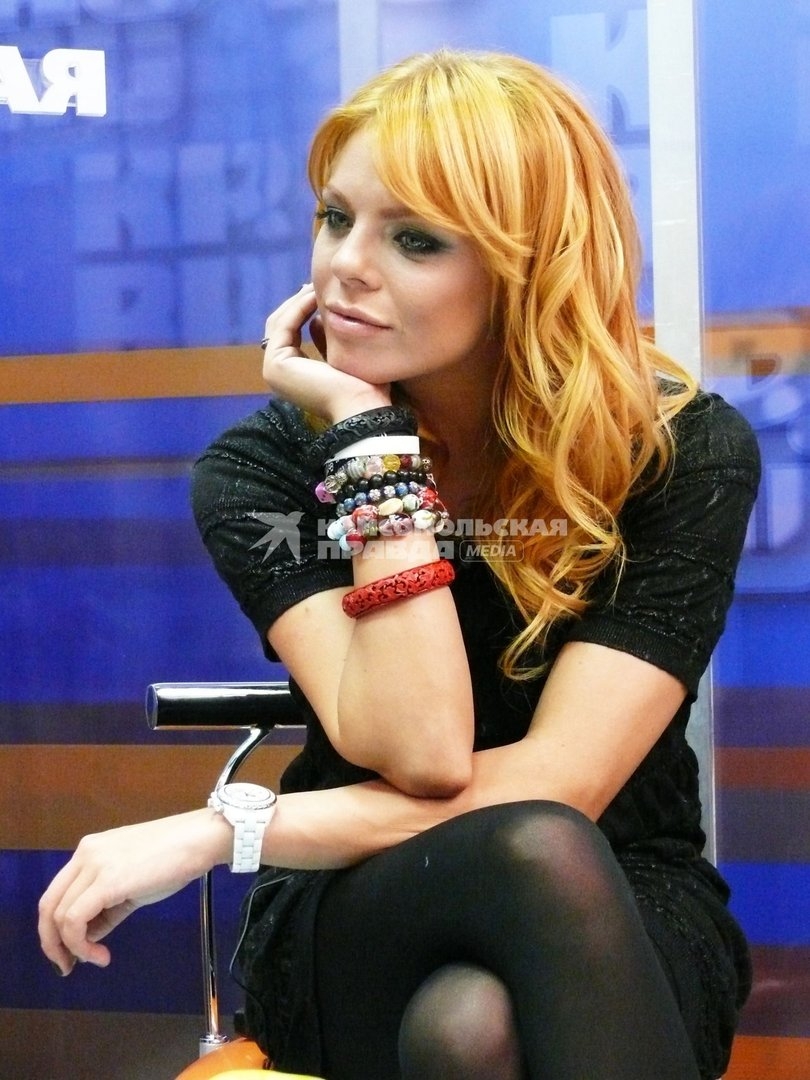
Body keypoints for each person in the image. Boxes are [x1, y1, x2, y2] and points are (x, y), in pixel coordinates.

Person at [39, 49, 760, 1080]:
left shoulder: (674, 452)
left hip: (617, 885)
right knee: (525, 867)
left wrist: (221, 829)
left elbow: (560, 786)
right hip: (361, 897)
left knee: (477, 1022)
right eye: (336, 218)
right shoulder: (262, 470)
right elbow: (421, 749)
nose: (346, 265)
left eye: (414, 239)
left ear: (528, 265)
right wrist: (369, 444)